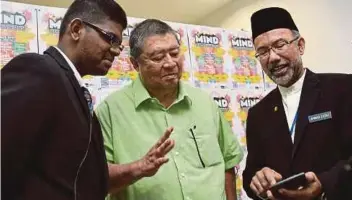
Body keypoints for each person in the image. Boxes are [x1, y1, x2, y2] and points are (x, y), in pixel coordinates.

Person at [96, 19, 244, 200]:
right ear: (135, 64)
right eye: (158, 58)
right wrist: (138, 168)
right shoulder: (110, 111)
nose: (170, 63)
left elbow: (227, 164)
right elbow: (96, 179)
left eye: (174, 53)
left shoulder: (205, 102)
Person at [1, 0, 128, 199]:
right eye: (110, 38)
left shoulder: (76, 90)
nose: (115, 51)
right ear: (76, 29)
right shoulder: (38, 70)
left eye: (118, 45)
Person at [242, 7, 352, 200]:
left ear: (300, 45)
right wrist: (257, 180)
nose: (273, 57)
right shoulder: (258, 114)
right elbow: (250, 173)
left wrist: (324, 183)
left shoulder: (343, 89)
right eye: (263, 51)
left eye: (280, 44)